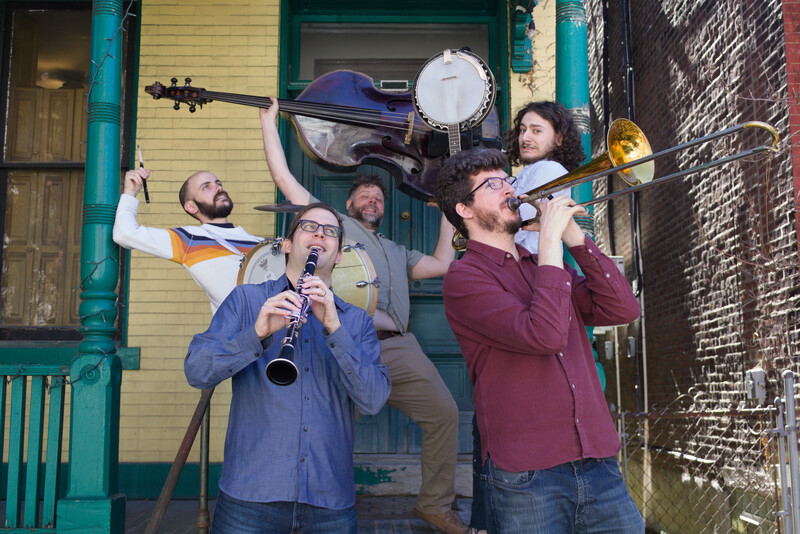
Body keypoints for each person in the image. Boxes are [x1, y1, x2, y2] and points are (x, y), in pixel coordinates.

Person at [260, 99, 468, 534]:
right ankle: (313, 507)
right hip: (346, 343)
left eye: (379, 197)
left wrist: (447, 204)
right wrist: (268, 124)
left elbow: (443, 263)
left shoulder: (395, 250)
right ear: (349, 203)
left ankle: (434, 504)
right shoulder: (332, 226)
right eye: (365, 194)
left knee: (445, 414)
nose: (373, 199)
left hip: (400, 348)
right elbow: (285, 180)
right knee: (323, 430)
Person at [435, 148, 644, 533]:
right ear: (464, 209)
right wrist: (549, 240)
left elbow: (622, 310)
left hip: (598, 461)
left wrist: (574, 238)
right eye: (494, 184)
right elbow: (543, 335)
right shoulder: (463, 279)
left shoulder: (545, 268)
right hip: (528, 473)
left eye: (509, 180)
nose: (510, 189)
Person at [185, 202, 391, 533]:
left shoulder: (355, 321)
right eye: (309, 227)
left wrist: (336, 331)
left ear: (338, 255)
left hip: (329, 503)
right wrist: (257, 334)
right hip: (249, 499)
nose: (320, 234)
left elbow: (373, 400)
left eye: (331, 231)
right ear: (287, 245)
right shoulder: (246, 302)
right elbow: (197, 371)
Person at [113, 168, 263, 315]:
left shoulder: (261, 244)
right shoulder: (191, 239)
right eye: (206, 187)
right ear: (191, 207)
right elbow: (125, 234)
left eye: (218, 183)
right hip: (243, 335)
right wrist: (130, 193)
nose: (218, 187)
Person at [505, 101, 585, 254]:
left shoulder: (550, 169)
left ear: (559, 138)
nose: (525, 137)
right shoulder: (535, 169)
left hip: (528, 268)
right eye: (522, 130)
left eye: (536, 131)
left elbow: (515, 226)